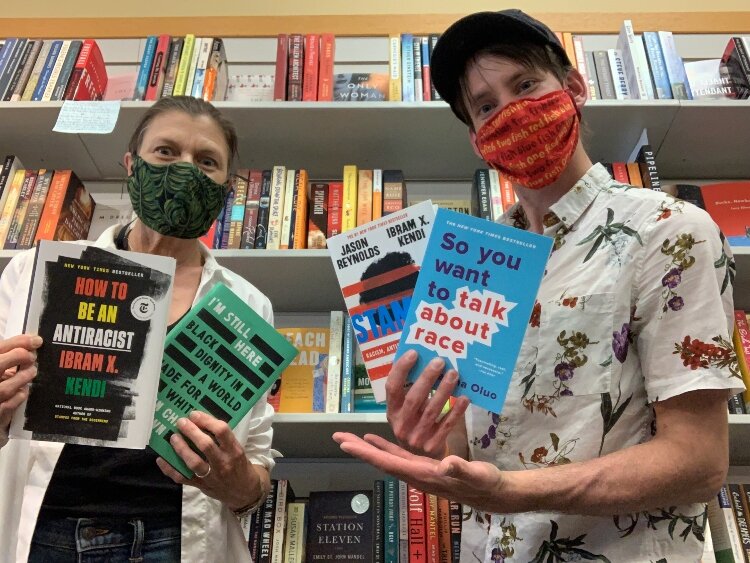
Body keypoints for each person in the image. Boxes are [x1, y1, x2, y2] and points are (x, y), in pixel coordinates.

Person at [333, 10, 742, 561]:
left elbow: (698, 462)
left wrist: (511, 492)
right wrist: (431, 440)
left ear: (574, 88)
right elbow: (471, 448)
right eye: (485, 107)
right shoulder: (472, 259)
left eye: (525, 85)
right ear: (477, 139)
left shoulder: (668, 229)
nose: (510, 112)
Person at [0, 96, 276, 563]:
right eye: (166, 152)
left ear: (226, 188)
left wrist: (240, 484)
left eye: (206, 161)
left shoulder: (248, 306)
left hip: (178, 540)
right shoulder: (35, 273)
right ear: (132, 165)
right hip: (47, 533)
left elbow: (256, 467)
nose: (185, 170)